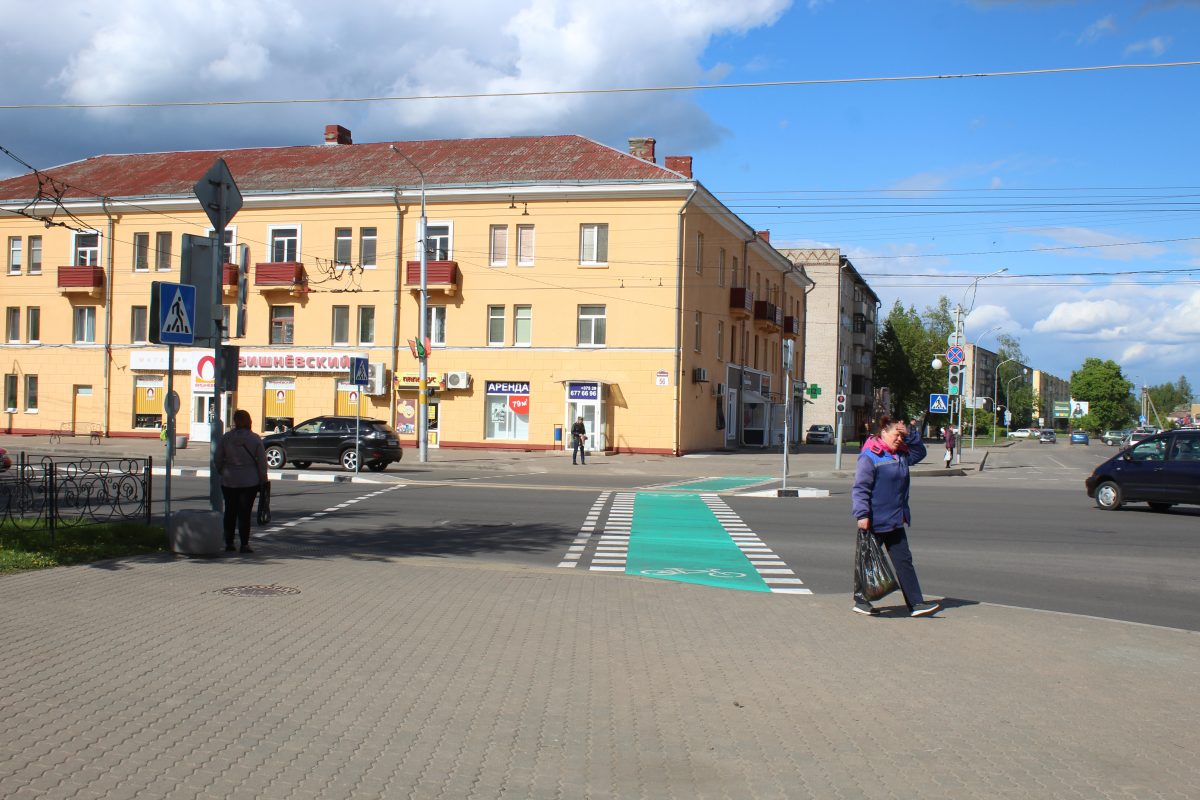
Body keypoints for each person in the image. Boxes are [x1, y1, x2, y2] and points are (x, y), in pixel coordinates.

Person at [851, 416, 941, 617]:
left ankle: (916, 604)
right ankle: (860, 600)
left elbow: (920, 452)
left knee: (904, 561)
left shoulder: (899, 455)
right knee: (868, 561)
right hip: (874, 520)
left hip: (896, 519)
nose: (899, 439)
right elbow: (860, 488)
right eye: (896, 435)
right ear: (883, 432)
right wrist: (862, 514)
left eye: (901, 436)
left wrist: (910, 434)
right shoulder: (870, 456)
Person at [215, 409, 269, 553]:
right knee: (244, 513)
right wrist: (263, 479)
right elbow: (262, 462)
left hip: (229, 480)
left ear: (235, 421)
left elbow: (217, 457)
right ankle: (244, 544)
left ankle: (229, 543)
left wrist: (222, 470)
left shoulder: (227, 438)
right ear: (249, 421)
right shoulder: (255, 438)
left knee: (230, 511)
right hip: (249, 481)